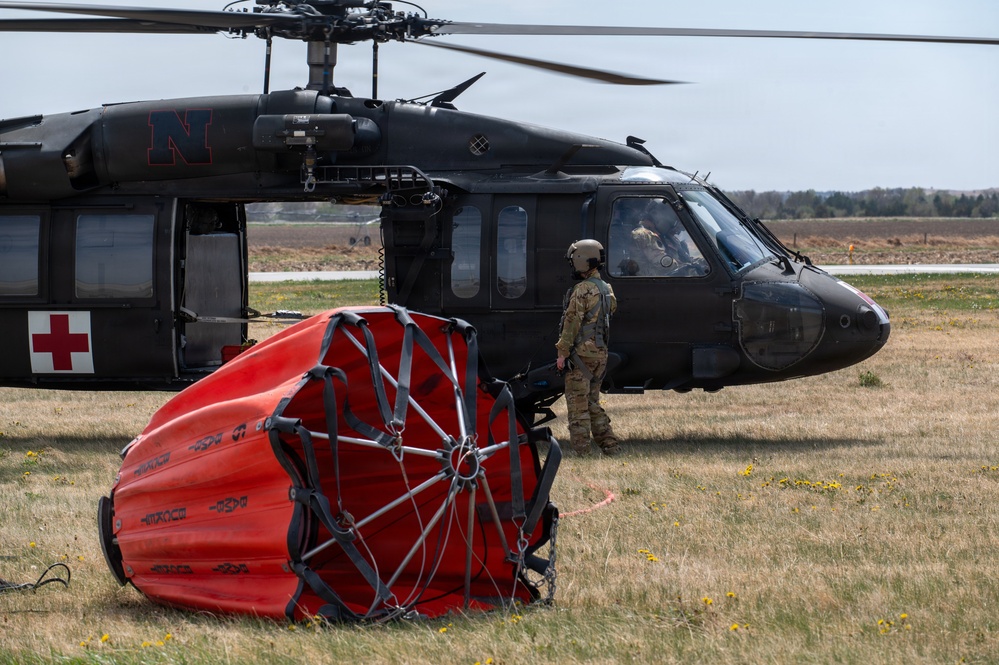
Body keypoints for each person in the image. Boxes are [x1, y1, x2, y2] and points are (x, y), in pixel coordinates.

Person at [555, 239, 620, 456]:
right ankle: (610, 445)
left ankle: (583, 452)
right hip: (600, 354)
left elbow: (571, 322)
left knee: (577, 405)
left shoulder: (582, 290)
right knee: (592, 402)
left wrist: (562, 353)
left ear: (582, 261)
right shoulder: (606, 289)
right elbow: (610, 311)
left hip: (581, 355)